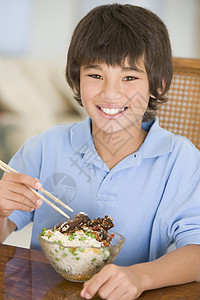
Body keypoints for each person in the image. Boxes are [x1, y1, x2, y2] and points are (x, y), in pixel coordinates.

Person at [0, 4, 200, 299]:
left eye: (129, 77)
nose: (110, 93)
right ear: (75, 79)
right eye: (95, 75)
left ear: (158, 85)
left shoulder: (180, 159)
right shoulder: (44, 147)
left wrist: (140, 276)